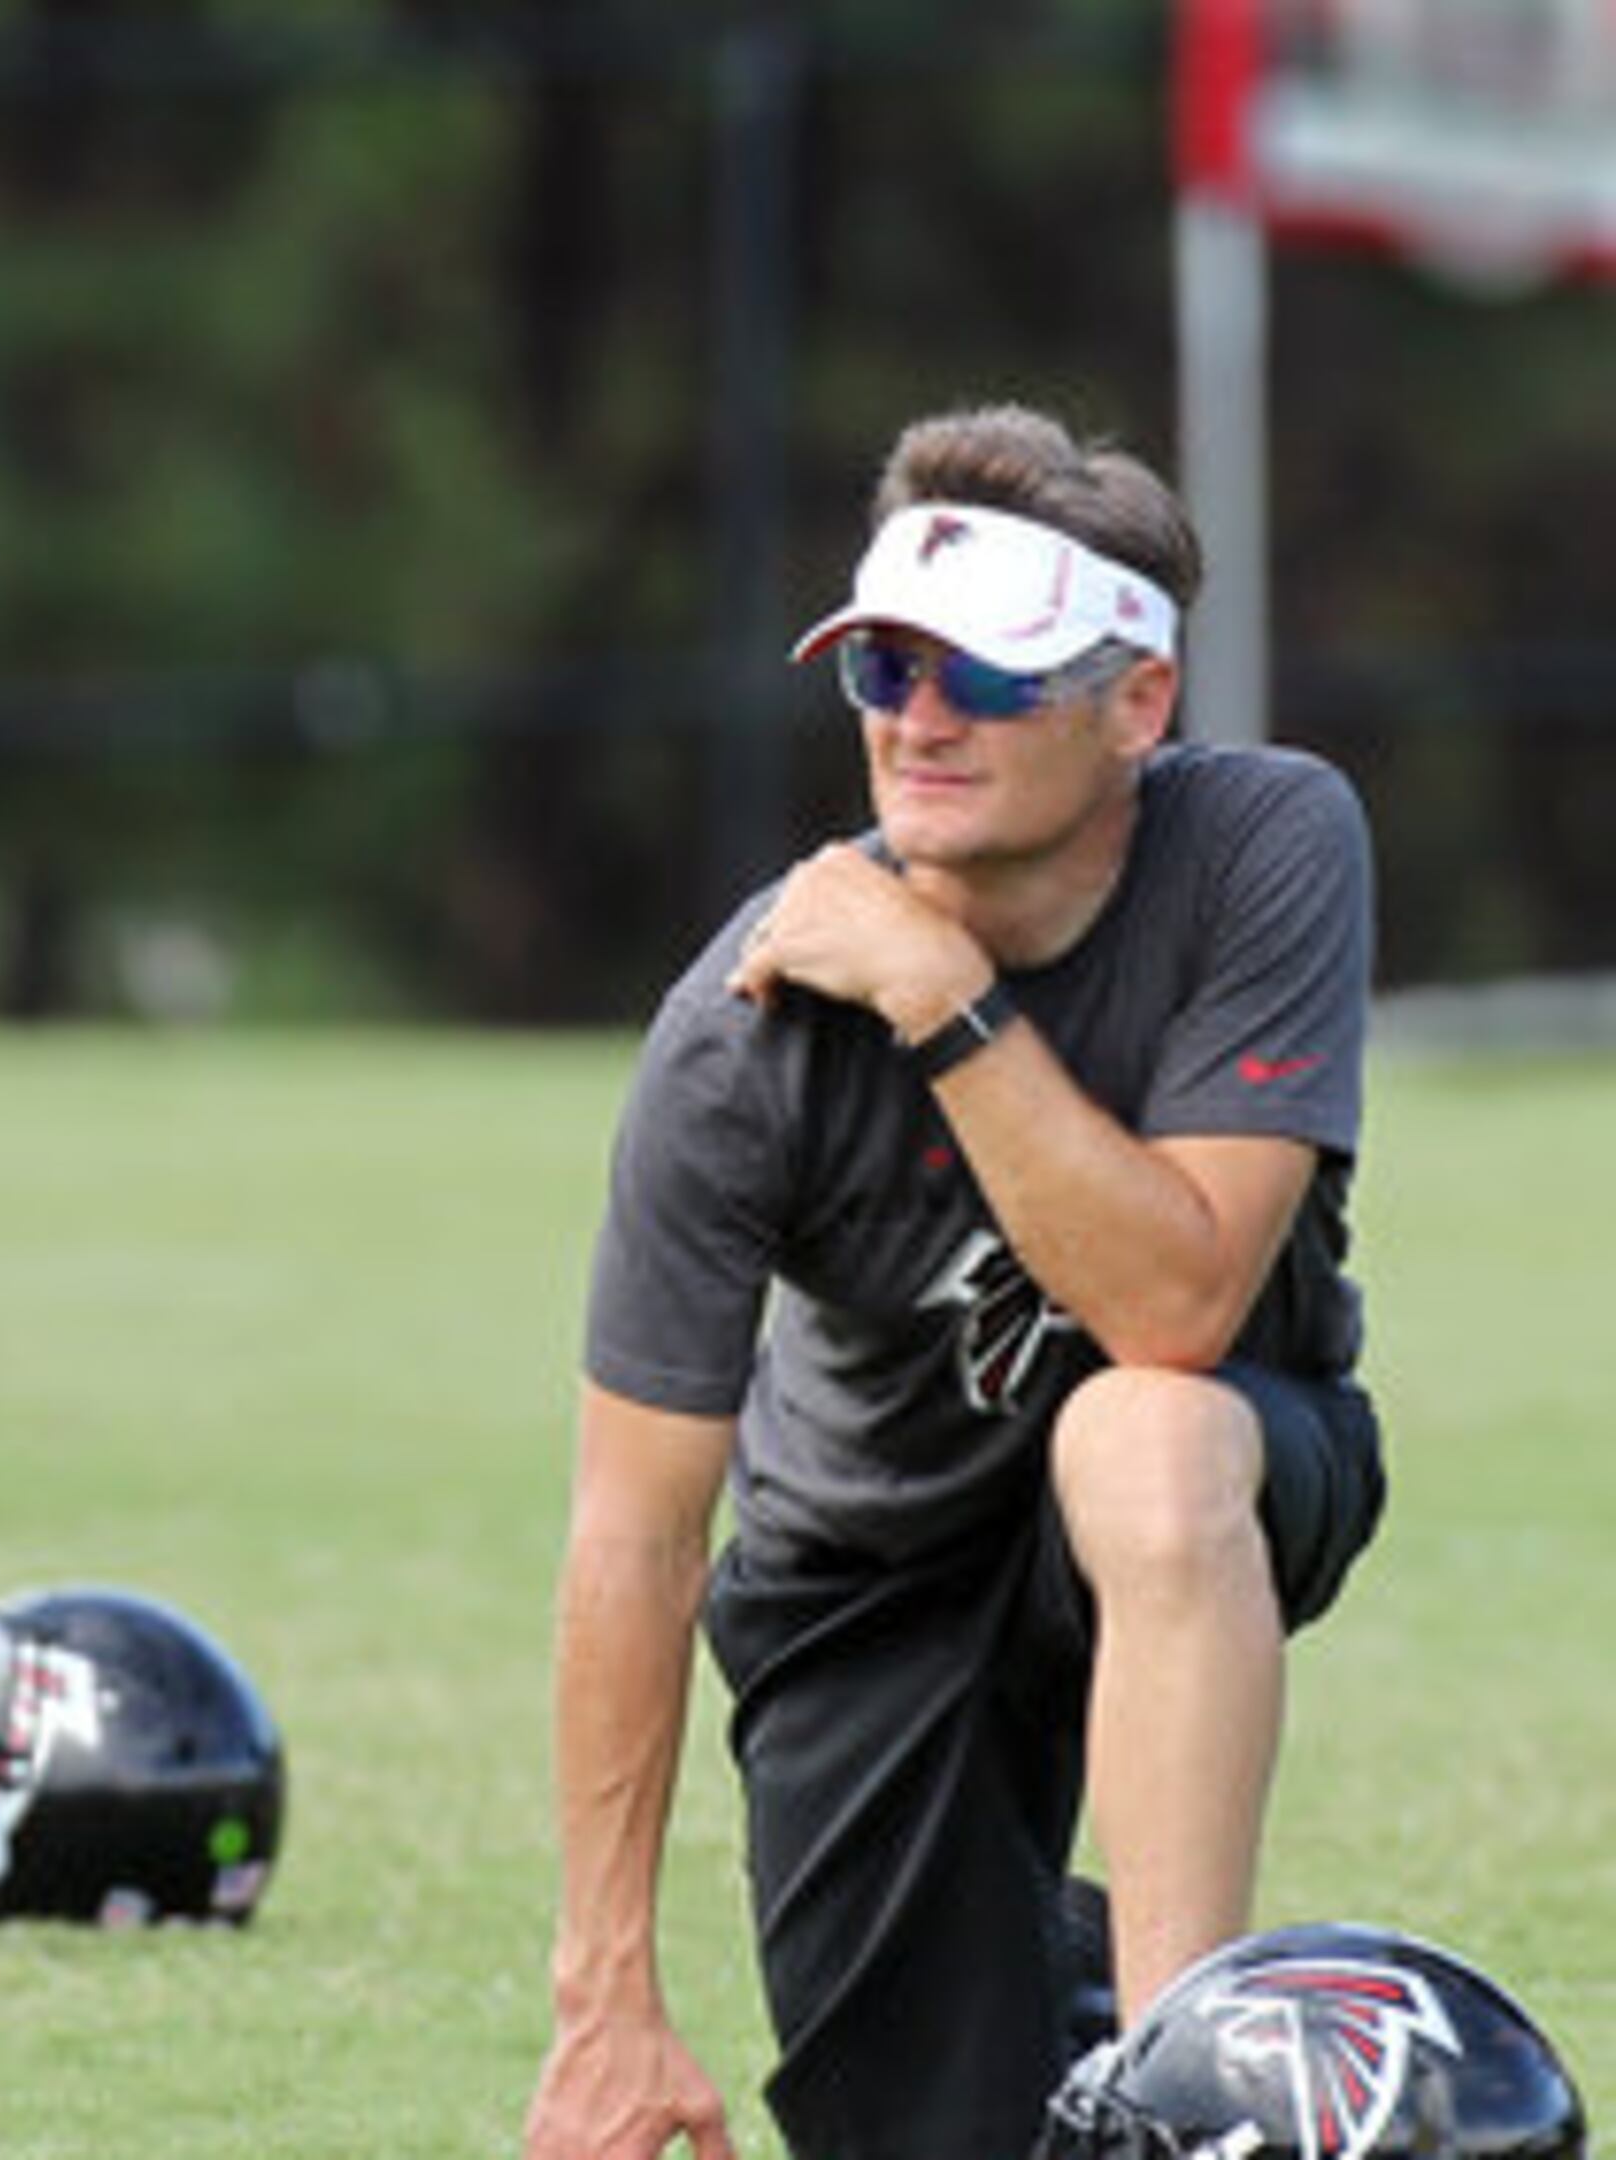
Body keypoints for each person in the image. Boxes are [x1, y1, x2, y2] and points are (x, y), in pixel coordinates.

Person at [521, 403, 1384, 2160]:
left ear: (1136, 704)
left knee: (1140, 1433)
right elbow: (634, 1532)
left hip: (1223, 1462)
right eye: (883, 670)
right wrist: (605, 1998)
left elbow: (1180, 1305)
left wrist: (945, 998)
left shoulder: (1269, 844)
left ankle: (1179, 2083)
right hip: (868, 1585)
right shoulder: (734, 1040)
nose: (919, 720)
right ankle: (1045, 1987)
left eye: (986, 677)